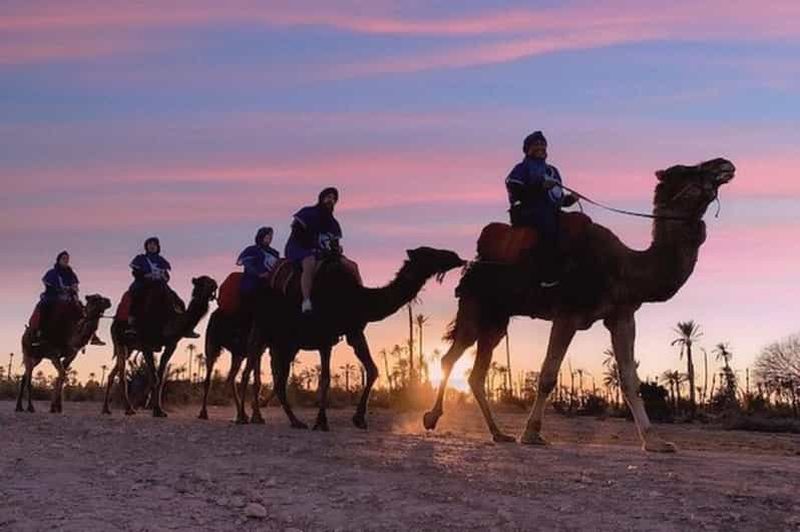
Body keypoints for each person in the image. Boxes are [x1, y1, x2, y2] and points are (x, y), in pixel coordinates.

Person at [505, 131, 578, 288]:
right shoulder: (521, 169)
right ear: (527, 149)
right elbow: (516, 191)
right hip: (527, 211)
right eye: (536, 144)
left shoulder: (552, 171)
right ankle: (547, 274)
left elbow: (557, 199)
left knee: (575, 224)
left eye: (542, 144)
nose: (540, 147)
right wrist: (540, 187)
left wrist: (571, 199)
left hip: (550, 210)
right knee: (548, 226)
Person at [285, 187, 362, 313]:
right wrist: (314, 248)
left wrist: (337, 250)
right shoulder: (307, 213)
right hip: (299, 248)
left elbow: (334, 243)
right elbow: (297, 233)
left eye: (333, 199)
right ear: (321, 198)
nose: (330, 200)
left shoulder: (334, 223)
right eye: (328, 197)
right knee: (309, 262)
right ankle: (306, 300)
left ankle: (359, 297)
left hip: (323, 252)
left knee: (352, 265)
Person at [126, 237, 199, 338]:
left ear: (157, 247)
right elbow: (135, 272)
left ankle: (186, 327)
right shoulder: (140, 259)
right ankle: (132, 325)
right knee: (137, 299)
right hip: (144, 284)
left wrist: (164, 277)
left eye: (154, 245)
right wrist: (145, 276)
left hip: (160, 285)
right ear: (146, 246)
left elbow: (167, 276)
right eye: (150, 244)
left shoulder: (161, 261)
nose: (152, 246)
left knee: (177, 300)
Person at [33, 251, 105, 347]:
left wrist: (74, 293)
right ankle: (40, 334)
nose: (66, 260)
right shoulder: (52, 273)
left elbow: (75, 287)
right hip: (53, 297)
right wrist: (61, 289)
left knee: (83, 312)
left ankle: (92, 335)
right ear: (59, 260)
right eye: (64, 258)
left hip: (69, 299)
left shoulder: (71, 273)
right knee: (44, 309)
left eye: (67, 259)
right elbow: (49, 285)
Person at [236, 226, 280, 316]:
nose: (270, 239)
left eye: (271, 237)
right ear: (261, 237)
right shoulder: (252, 250)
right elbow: (246, 263)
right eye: (268, 236)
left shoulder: (274, 253)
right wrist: (259, 274)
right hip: (252, 285)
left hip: (270, 284)